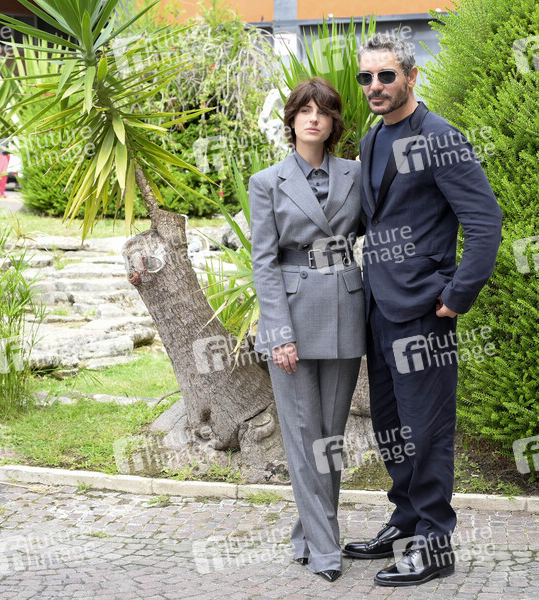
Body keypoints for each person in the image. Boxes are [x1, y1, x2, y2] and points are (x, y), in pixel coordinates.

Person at [342, 33, 503, 587]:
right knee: (390, 424)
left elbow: (485, 222)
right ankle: (406, 519)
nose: (375, 86)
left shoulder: (441, 138)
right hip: (379, 307)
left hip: (424, 311)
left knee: (426, 429)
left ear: (411, 77)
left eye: (386, 75)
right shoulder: (371, 139)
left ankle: (435, 543)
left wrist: (457, 296)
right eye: (366, 77)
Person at [249, 77, 366, 583]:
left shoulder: (355, 173)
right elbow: (263, 261)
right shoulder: (266, 182)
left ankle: (307, 534)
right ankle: (324, 549)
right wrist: (278, 333)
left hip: (344, 308)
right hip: (291, 315)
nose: (313, 118)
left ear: (334, 122)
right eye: (304, 111)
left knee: (329, 439)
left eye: (323, 111)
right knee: (302, 438)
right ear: (292, 120)